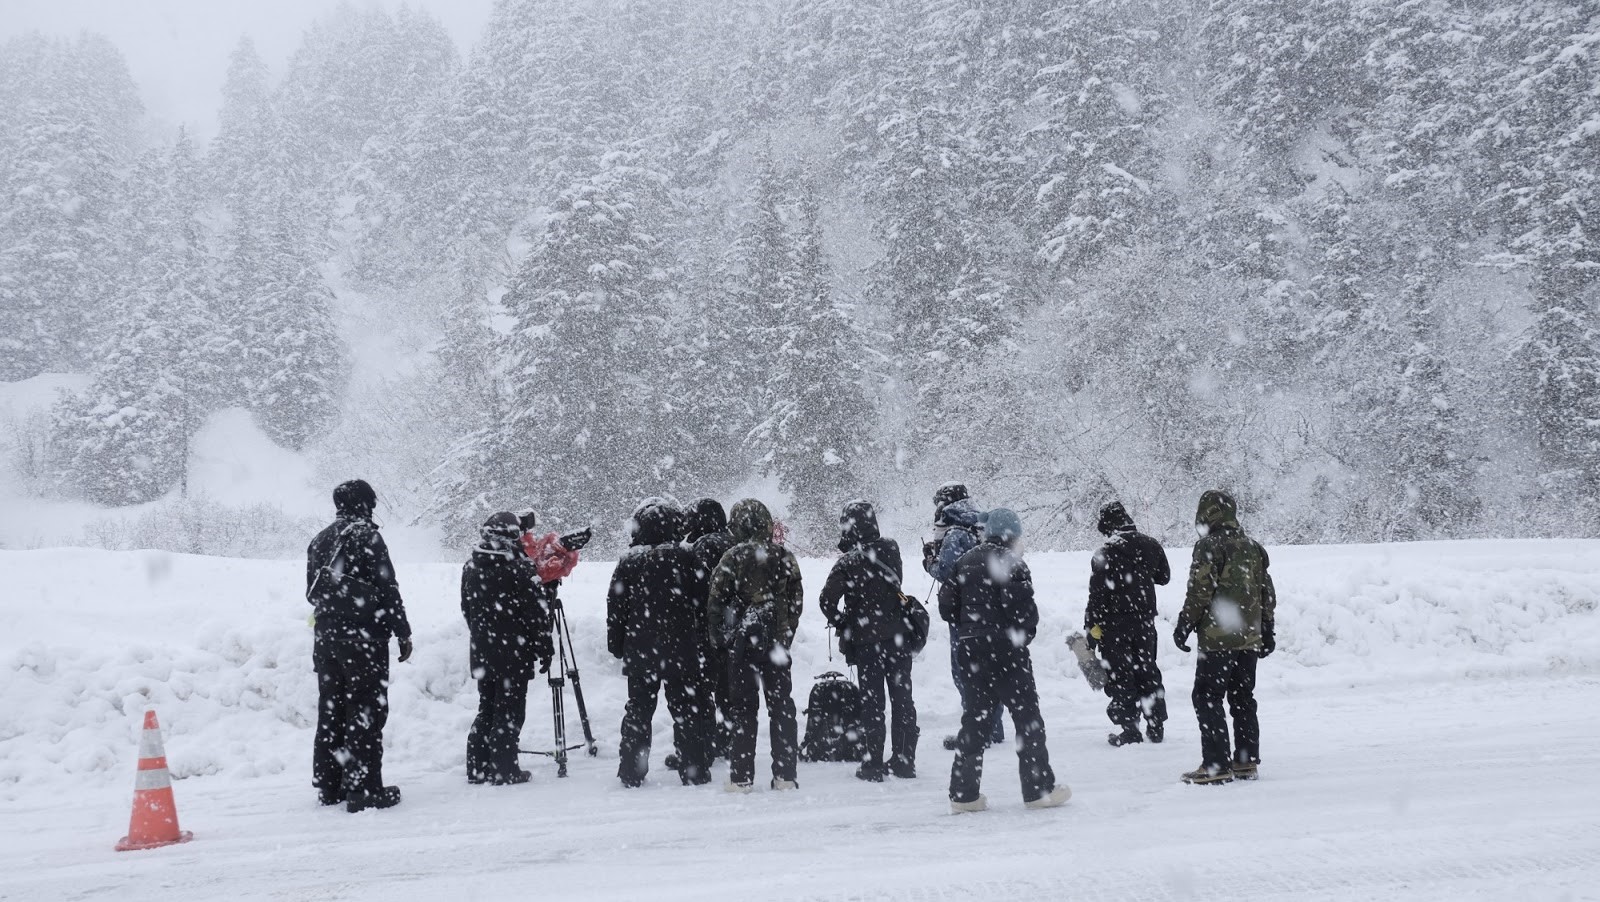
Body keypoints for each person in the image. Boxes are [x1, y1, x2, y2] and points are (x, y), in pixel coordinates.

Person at [940, 508, 1069, 813]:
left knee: (974, 719)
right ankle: (1038, 790)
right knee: (1027, 718)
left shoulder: (965, 560)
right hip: (1006, 651)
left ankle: (964, 795)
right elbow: (1023, 613)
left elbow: (947, 608)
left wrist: (971, 627)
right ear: (1012, 535)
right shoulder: (1011, 563)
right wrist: (1022, 635)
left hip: (971, 651)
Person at [305, 479, 413, 813]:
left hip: (326, 639)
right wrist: (402, 631)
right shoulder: (368, 537)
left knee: (332, 708)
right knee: (365, 710)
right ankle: (363, 788)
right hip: (364, 640)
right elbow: (387, 587)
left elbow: (312, 590)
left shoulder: (320, 539)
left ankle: (329, 784)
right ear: (366, 504)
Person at [1173, 490, 1277, 785]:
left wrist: (1184, 624)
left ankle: (1216, 764)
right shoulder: (1253, 546)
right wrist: (1268, 627)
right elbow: (1266, 591)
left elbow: (1199, 591)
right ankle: (1245, 762)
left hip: (1219, 638)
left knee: (1207, 696)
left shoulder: (1209, 546)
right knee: (1243, 697)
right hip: (1249, 638)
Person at [608, 499, 714, 787]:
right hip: (681, 648)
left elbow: (616, 608)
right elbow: (704, 601)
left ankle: (631, 770)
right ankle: (693, 769)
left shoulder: (628, 562)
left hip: (640, 649)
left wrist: (616, 644)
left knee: (638, 710)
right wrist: (703, 639)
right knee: (686, 711)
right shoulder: (687, 558)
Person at [820, 500, 922, 781]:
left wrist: (844, 623)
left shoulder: (847, 562)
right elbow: (895, 582)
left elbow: (826, 602)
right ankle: (904, 760)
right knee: (903, 699)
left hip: (867, 644)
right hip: (898, 638)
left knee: (873, 704)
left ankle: (873, 764)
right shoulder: (891, 548)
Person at [706, 499, 803, 792]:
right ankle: (785, 775)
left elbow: (715, 603)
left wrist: (721, 639)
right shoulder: (784, 556)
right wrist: (786, 636)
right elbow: (796, 601)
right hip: (776, 643)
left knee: (744, 711)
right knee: (782, 708)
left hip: (743, 645)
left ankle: (741, 777)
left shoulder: (731, 558)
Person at [461, 511, 553, 785]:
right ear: (512, 536)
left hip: (482, 650)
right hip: (514, 651)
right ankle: (504, 768)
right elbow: (536, 614)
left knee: (487, 708)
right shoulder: (520, 568)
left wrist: (483, 634)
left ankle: (478, 768)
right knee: (510, 710)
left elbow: (467, 608)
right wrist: (543, 647)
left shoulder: (470, 566)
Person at [923, 483, 1004, 751]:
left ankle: (977, 731)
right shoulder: (984, 527)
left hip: (964, 614)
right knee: (991, 671)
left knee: (965, 673)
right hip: (993, 611)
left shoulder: (955, 533)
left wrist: (929, 561)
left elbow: (945, 571)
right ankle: (994, 727)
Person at [1084, 500, 1172, 746]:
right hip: (1145, 623)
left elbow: (1097, 596)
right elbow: (1164, 578)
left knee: (1121, 676)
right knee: (1147, 671)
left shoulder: (1105, 553)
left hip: (1115, 626)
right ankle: (1156, 725)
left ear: (1107, 526)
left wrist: (1092, 628)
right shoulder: (1150, 544)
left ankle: (1130, 729)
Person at [685, 498, 736, 760]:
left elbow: (696, 589)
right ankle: (729, 739)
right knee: (728, 688)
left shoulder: (702, 547)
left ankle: (706, 743)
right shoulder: (733, 543)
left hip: (707, 627)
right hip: (733, 628)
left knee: (704, 689)